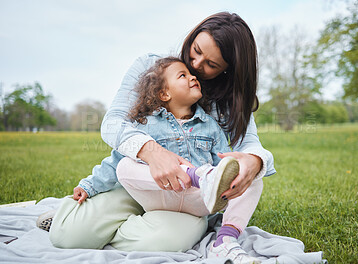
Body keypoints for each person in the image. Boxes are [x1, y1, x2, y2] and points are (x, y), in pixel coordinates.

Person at [44, 11, 276, 261]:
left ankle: (105, 232)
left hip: (188, 202)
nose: (196, 65)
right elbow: (112, 124)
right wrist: (153, 153)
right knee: (66, 235)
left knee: (159, 242)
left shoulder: (227, 101)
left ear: (228, 70)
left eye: (211, 65)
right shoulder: (152, 68)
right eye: (196, 50)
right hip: (141, 187)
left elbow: (249, 145)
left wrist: (255, 162)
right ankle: (83, 223)